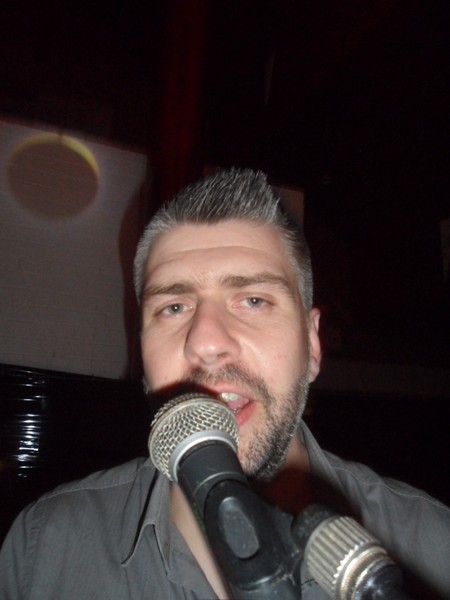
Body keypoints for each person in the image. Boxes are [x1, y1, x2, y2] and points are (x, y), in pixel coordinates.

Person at [0, 168, 449, 599]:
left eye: (253, 300)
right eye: (173, 308)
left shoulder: (434, 549)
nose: (207, 343)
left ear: (312, 345)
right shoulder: (43, 549)